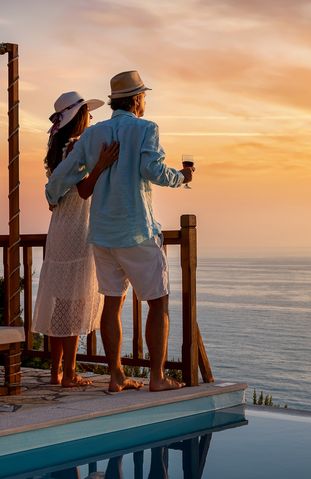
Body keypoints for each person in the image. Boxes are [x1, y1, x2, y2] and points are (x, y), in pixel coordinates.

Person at [45, 71, 194, 392]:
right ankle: (156, 377)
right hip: (137, 229)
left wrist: (51, 196)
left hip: (101, 234)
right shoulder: (145, 129)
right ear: (138, 99)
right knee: (158, 302)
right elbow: (151, 170)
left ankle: (116, 376)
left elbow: (62, 175)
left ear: (115, 101)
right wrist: (182, 177)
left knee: (112, 303)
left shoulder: (92, 135)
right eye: (144, 97)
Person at [32, 91, 119, 387]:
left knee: (59, 299)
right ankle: (69, 373)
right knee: (73, 301)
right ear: (79, 117)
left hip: (59, 227)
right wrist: (101, 165)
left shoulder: (58, 148)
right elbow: (84, 190)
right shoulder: (76, 148)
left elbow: (54, 197)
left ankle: (57, 371)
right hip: (77, 228)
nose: (91, 119)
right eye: (88, 114)